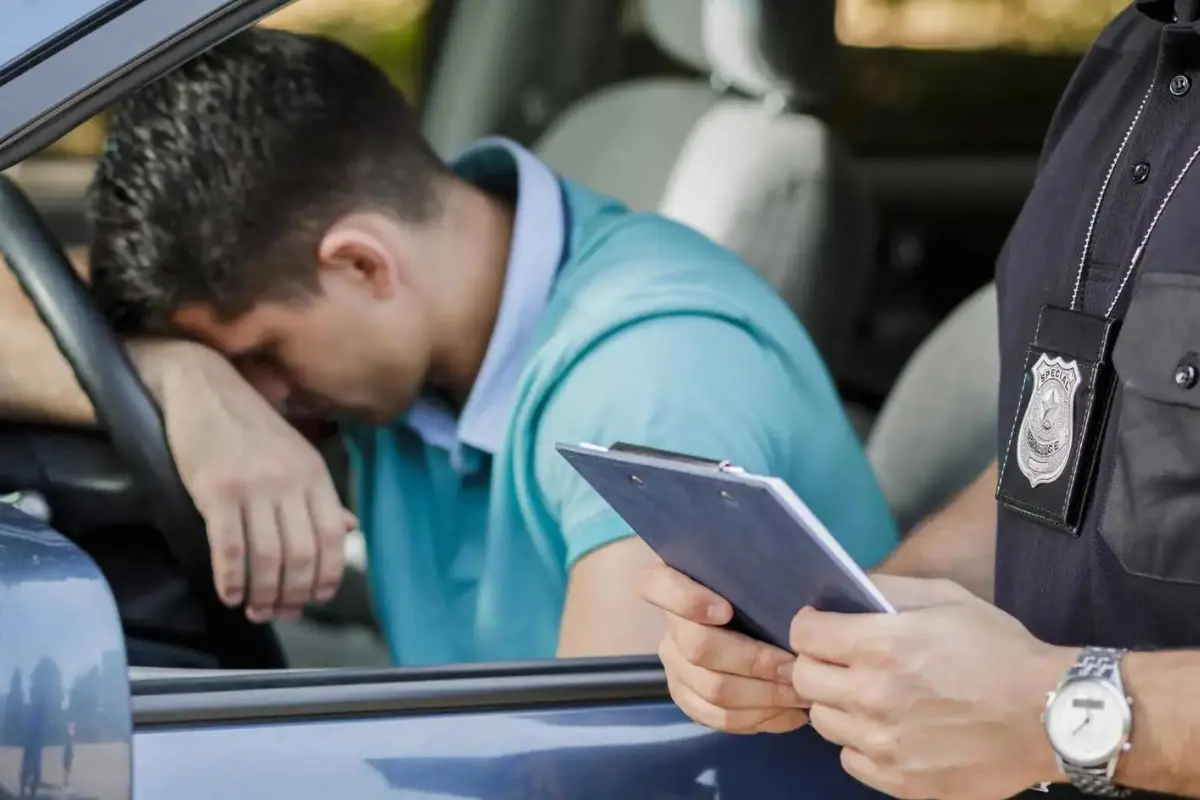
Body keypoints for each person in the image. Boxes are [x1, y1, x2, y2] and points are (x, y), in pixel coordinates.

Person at [0, 28, 897, 666]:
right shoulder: (423, 309)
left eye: (263, 354)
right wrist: (181, 378)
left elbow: (598, 766)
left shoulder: (650, 375)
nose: (260, 395)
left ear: (361, 262)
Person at [641, 2, 1200, 798]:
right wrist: (832, 632)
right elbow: (1075, 471)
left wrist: (1060, 710)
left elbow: (1036, 704)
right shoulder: (1130, 54)